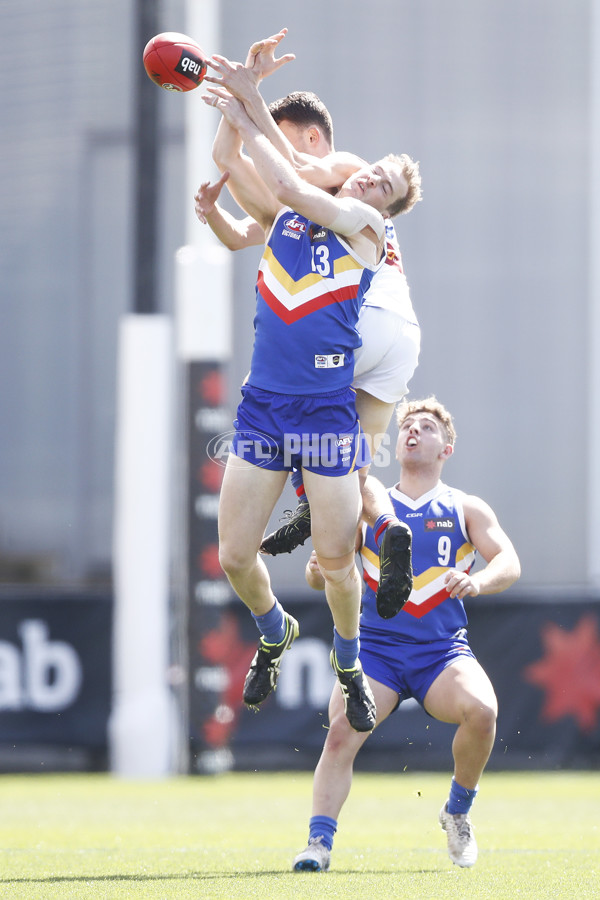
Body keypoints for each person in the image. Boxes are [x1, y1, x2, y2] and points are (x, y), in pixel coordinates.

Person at [200, 46, 420, 734]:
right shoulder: (285, 216)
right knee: (234, 555)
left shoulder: (365, 229)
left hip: (325, 412)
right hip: (264, 407)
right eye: (368, 175)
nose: (365, 182)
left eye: (377, 182)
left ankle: (349, 663)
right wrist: (237, 103)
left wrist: (246, 101)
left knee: (333, 562)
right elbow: (233, 164)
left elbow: (295, 182)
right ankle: (274, 630)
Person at [292, 397, 521, 871]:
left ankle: (457, 810)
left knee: (482, 711)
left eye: (427, 428)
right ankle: (318, 845)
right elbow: (322, 574)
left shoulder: (465, 507)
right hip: (376, 651)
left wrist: (476, 581)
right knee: (340, 733)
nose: (413, 432)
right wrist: (319, 570)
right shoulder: (371, 504)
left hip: (441, 652)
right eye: (407, 427)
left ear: (447, 449)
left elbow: (509, 562)